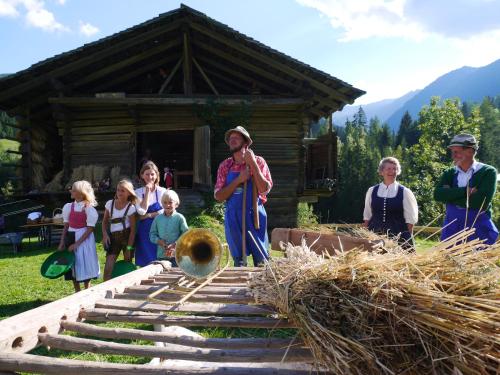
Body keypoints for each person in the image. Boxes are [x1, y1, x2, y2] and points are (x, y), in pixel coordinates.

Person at [214, 126, 273, 266]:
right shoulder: (225, 166)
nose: (232, 141)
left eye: (236, 138)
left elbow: (264, 189)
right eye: (230, 139)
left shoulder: (258, 161)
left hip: (254, 215)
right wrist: (238, 180)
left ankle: (262, 286)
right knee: (239, 261)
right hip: (233, 216)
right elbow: (218, 196)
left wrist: (252, 164)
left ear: (245, 142)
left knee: (262, 261)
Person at [434, 133, 498, 245]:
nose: (453, 156)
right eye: (452, 152)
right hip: (452, 230)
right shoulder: (449, 173)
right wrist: (465, 192)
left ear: (470, 151)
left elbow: (480, 202)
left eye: (456, 152)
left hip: (478, 230)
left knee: (479, 261)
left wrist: (450, 196)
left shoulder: (488, 172)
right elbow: (438, 195)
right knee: (448, 261)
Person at [363, 157, 418, 249]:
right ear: (381, 171)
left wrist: (406, 239)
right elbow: (367, 216)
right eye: (388, 169)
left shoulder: (405, 192)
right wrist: (365, 236)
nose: (392, 171)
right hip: (374, 235)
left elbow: (410, 221)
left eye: (394, 169)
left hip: (398, 236)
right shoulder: (372, 190)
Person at [58, 180, 100, 292]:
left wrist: (77, 244)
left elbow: (90, 229)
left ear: (81, 193)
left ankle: (87, 289)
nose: (71, 190)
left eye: (74, 189)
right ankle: (77, 291)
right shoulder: (68, 207)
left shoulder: (88, 209)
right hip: (71, 236)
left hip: (84, 239)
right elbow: (66, 225)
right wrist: (62, 241)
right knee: (72, 264)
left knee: (84, 262)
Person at [102, 180, 138, 281]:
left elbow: (133, 231)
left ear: (129, 193)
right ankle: (104, 290)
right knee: (108, 268)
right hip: (113, 238)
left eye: (123, 191)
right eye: (118, 190)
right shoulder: (110, 204)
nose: (119, 193)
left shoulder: (130, 207)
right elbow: (104, 222)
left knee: (127, 266)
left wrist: (129, 248)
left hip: (127, 238)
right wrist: (105, 235)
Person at [134, 161, 168, 266]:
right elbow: (141, 211)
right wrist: (148, 192)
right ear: (142, 176)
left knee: (160, 257)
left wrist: (149, 215)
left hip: (160, 228)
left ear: (157, 175)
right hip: (144, 230)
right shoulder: (138, 192)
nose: (150, 177)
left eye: (152, 174)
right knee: (145, 259)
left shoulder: (162, 191)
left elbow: (165, 210)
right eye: (147, 174)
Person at [149, 190, 189, 266]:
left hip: (177, 255)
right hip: (161, 255)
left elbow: (186, 234)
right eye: (165, 202)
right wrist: (159, 241)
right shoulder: (158, 218)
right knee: (162, 275)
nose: (167, 205)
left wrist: (175, 244)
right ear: (162, 204)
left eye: (170, 202)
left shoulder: (179, 218)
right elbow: (152, 234)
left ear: (176, 204)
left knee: (176, 275)